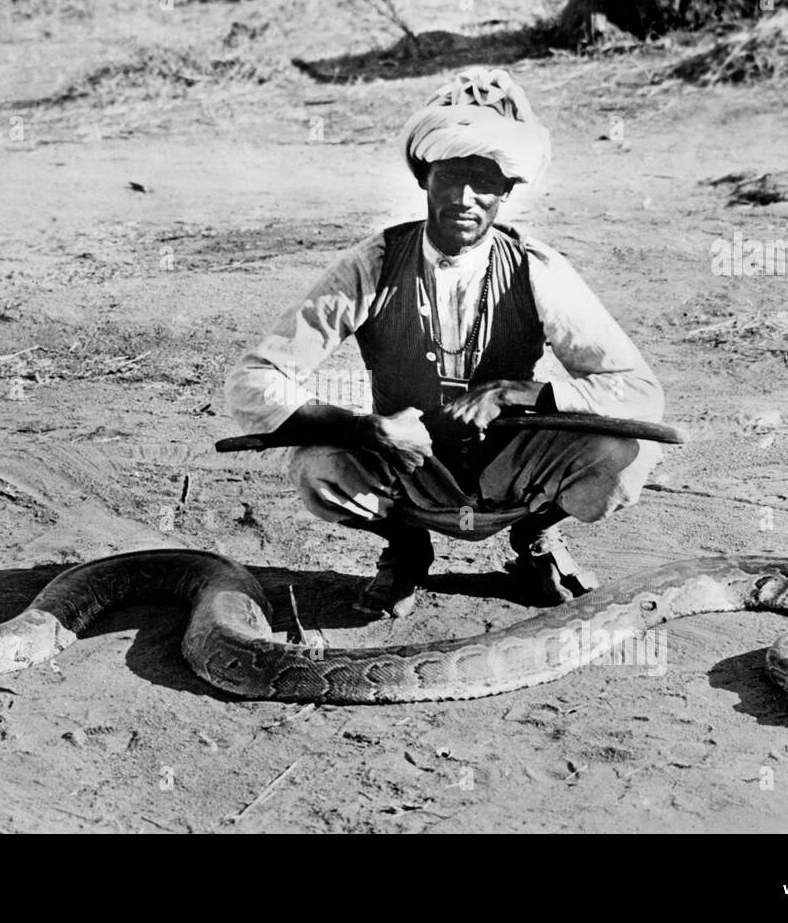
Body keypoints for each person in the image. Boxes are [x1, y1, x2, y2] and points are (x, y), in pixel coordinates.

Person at [224, 67, 664, 618]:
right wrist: (367, 428)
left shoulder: (537, 268)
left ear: (508, 190)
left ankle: (535, 540)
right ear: (423, 176)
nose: (465, 198)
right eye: (451, 176)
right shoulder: (374, 264)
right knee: (318, 466)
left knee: (622, 458)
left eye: (485, 181)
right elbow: (253, 381)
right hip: (410, 468)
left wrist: (517, 393)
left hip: (514, 470)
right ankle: (406, 549)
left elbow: (639, 391)